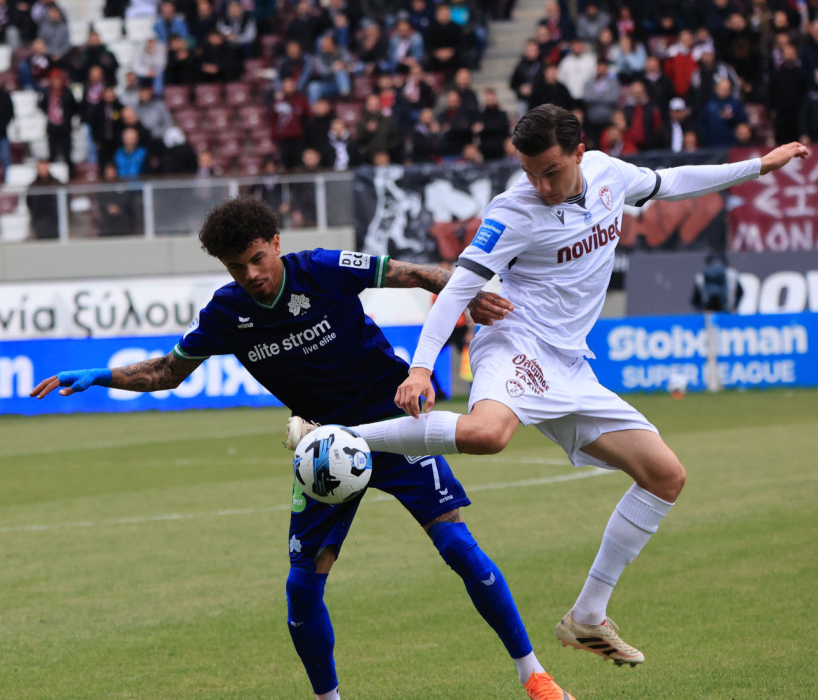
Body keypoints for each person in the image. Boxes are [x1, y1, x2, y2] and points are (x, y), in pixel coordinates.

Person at [284, 105, 811, 669]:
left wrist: (759, 165)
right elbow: (459, 287)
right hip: (516, 341)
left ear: (580, 152)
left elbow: (674, 181)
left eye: (551, 171)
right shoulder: (512, 210)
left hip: (571, 365)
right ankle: (332, 434)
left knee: (665, 477)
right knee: (488, 435)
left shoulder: (610, 175)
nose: (540, 185)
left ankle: (588, 616)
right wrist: (419, 368)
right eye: (530, 172)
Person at [29, 195, 577, 700]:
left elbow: (411, 272)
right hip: (325, 448)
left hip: (392, 421)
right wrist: (101, 375)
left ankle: (534, 675)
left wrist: (466, 294)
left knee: (457, 545)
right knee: (302, 587)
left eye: (257, 259)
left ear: (276, 244)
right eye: (236, 267)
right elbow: (169, 371)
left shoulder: (322, 268)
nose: (251, 275)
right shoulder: (225, 314)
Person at [26, 160, 62, 239]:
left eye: (44, 168)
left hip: (54, 219)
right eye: (41, 169)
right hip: (39, 219)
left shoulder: (56, 183)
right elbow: (29, 202)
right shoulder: (33, 185)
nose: (43, 171)